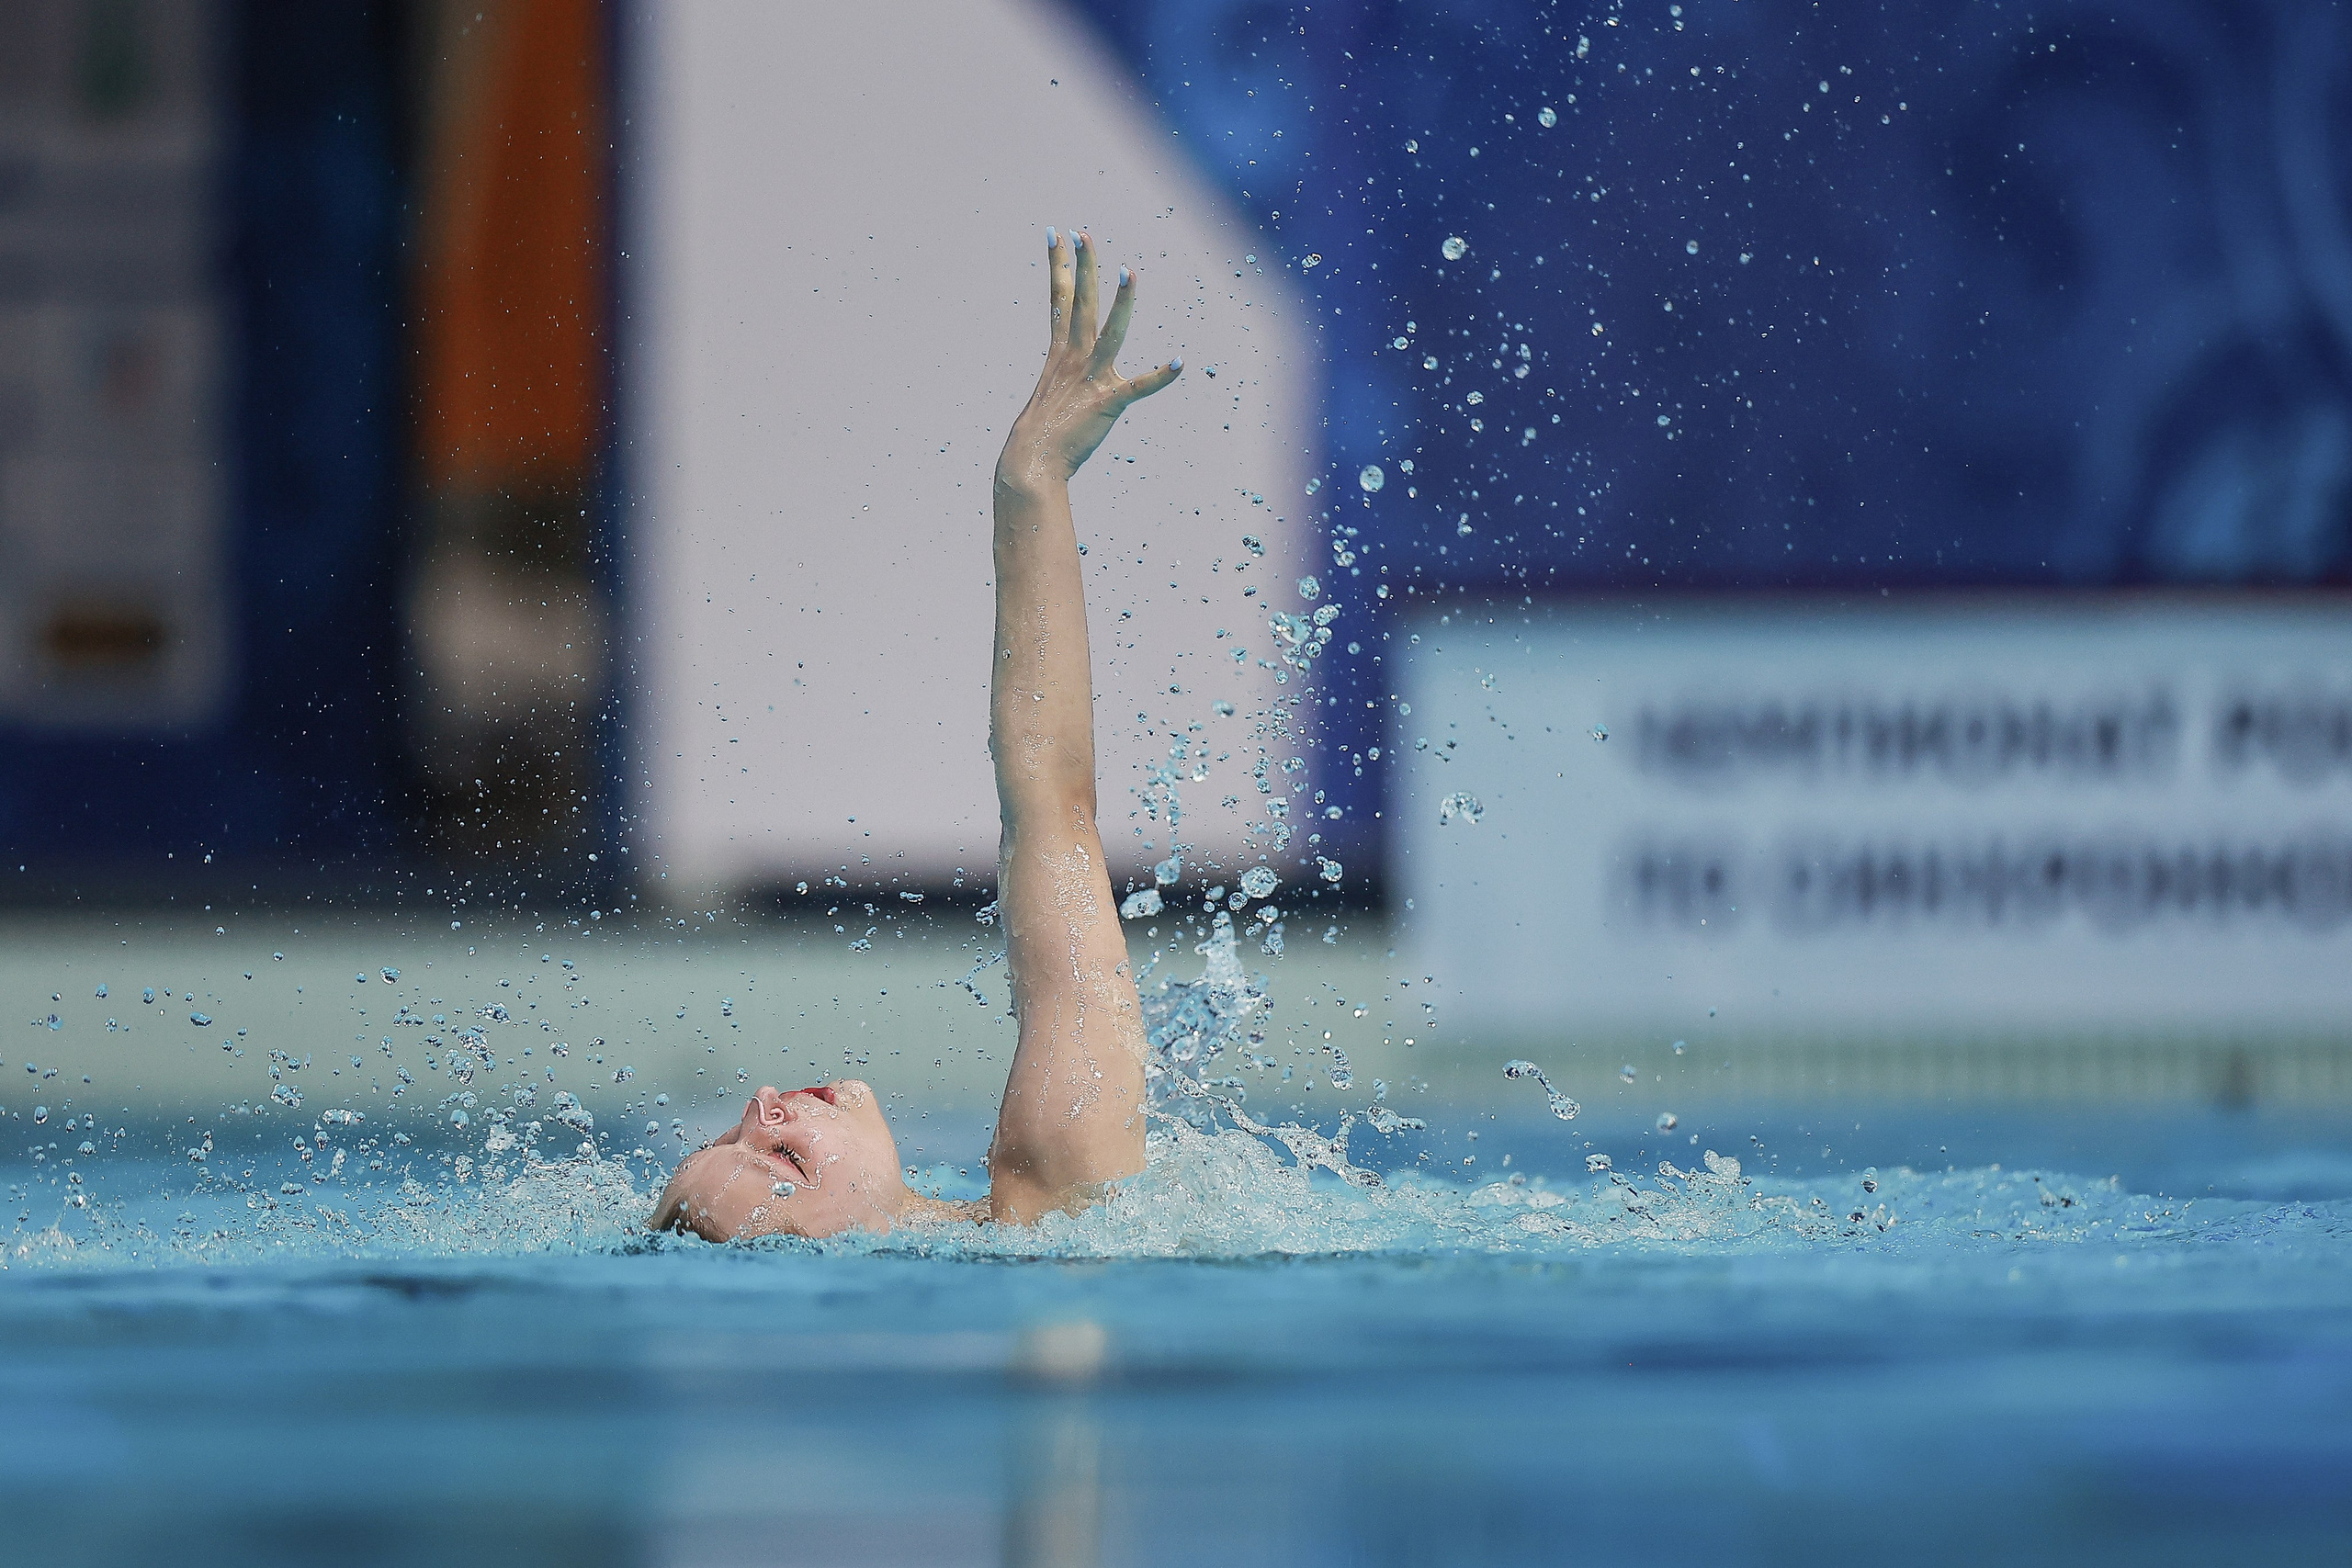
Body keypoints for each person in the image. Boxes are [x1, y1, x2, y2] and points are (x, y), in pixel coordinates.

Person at [651, 227, 1183, 1240]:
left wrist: (1031, 481)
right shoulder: (1054, 1188)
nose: (762, 1105)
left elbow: (1049, 806)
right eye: (774, 1158)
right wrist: (1032, 483)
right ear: (815, 1246)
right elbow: (1052, 807)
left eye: (727, 1126)